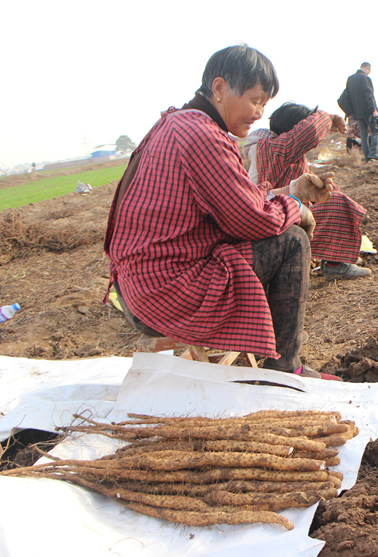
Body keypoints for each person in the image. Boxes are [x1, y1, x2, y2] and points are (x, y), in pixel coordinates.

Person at [104, 44, 339, 379]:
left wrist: (291, 190)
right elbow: (251, 219)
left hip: (136, 289)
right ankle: (286, 368)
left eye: (264, 104)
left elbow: (234, 199)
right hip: (167, 295)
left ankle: (277, 354)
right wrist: (296, 207)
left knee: (281, 226)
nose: (259, 112)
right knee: (292, 241)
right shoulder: (204, 136)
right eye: (255, 100)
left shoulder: (179, 123)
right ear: (219, 88)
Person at [244, 102, 371, 281]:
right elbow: (310, 130)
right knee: (337, 202)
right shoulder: (277, 148)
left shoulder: (268, 145)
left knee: (332, 194)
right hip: (274, 218)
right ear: (294, 128)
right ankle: (335, 264)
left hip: (275, 209)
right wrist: (329, 117)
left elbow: (304, 179)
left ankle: (334, 256)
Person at [345, 62, 378, 161]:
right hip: (367, 111)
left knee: (363, 134)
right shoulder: (365, 78)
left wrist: (350, 112)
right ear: (367, 69)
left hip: (357, 113)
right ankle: (373, 153)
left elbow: (346, 96)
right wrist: (373, 110)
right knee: (376, 131)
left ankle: (367, 157)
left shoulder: (350, 79)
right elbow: (369, 94)